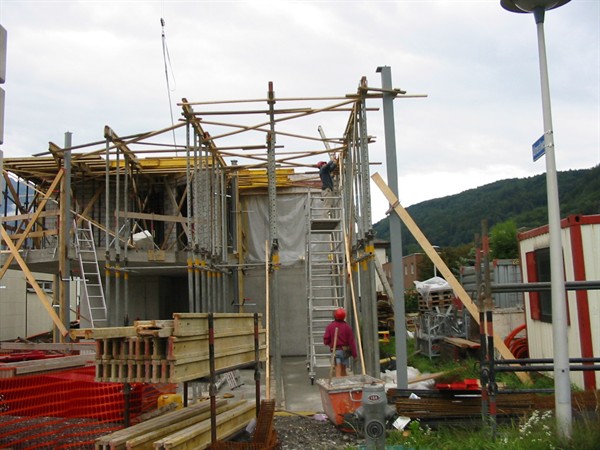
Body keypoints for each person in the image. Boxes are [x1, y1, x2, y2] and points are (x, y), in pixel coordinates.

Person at [323, 307, 357, 377]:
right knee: (343, 370)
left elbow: (326, 340)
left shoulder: (330, 327)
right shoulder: (347, 327)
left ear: (335, 316)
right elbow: (352, 342)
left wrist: (331, 344)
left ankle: (338, 382)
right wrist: (355, 355)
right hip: (345, 352)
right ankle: (344, 382)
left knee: (337, 369)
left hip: (336, 351)